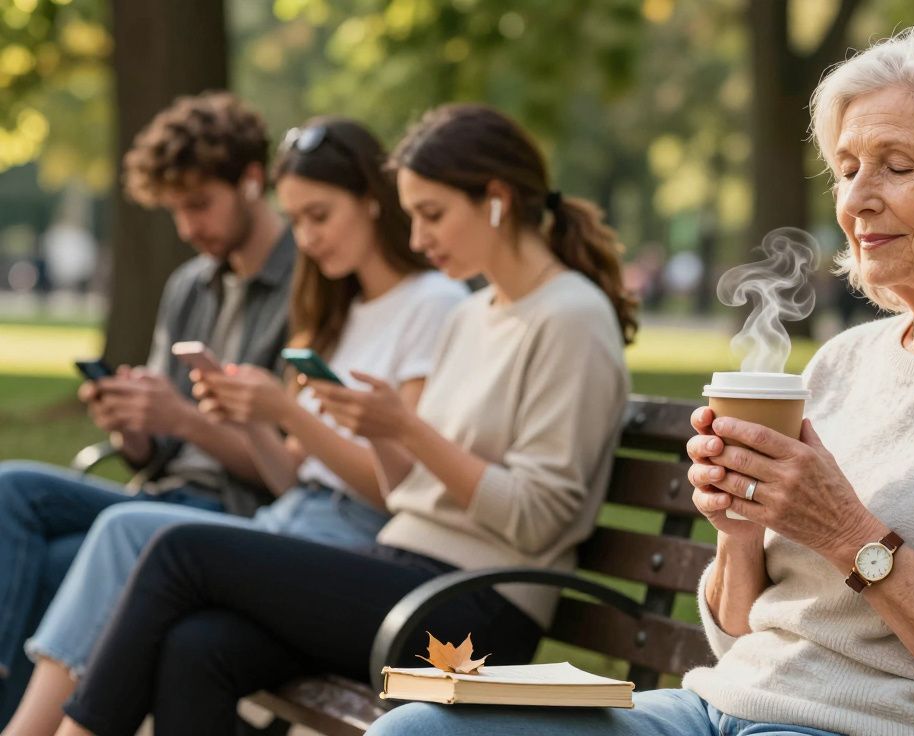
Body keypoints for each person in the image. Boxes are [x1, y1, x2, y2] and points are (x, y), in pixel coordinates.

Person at [369, 24, 914, 736]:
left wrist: (849, 535)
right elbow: (742, 634)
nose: (856, 200)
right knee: (418, 731)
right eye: (847, 168)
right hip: (717, 710)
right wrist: (740, 531)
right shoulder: (845, 361)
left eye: (896, 165)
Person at [49, 103, 636, 736]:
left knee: (179, 550)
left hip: (476, 612)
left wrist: (406, 429)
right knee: (200, 645)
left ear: (495, 198)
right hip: (406, 572)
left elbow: (538, 518)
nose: (416, 239)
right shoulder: (474, 315)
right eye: (412, 216)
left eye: (432, 215)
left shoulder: (571, 318)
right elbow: (407, 489)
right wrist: (381, 430)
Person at [1, 117, 468, 736]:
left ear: (371, 202)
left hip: (353, 545)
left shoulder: (432, 304)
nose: (307, 238)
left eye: (319, 217)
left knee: (121, 531)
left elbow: (399, 488)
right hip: (293, 518)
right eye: (297, 220)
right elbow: (292, 475)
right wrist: (249, 422)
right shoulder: (343, 308)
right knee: (49, 516)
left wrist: (284, 412)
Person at [0, 91, 294, 721]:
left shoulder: (306, 285)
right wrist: (132, 425)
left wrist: (182, 419)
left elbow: (288, 470)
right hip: (163, 500)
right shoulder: (191, 284)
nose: (188, 228)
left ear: (251, 180)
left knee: (44, 547)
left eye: (199, 205)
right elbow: (158, 450)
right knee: (11, 490)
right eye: (174, 211)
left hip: (238, 516)